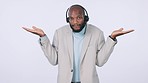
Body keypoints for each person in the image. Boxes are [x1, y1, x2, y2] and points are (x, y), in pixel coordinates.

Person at [23, 4, 134, 83]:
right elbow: (54, 60)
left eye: (79, 18)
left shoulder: (97, 33)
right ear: (68, 19)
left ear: (85, 18)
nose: (75, 22)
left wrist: (112, 38)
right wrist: (43, 37)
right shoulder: (59, 33)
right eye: (71, 18)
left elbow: (100, 62)